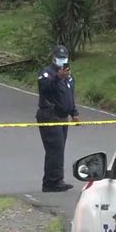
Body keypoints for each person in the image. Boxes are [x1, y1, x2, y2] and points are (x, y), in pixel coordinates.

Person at [36, 45, 79, 192]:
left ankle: (55, 179)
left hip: (63, 117)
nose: (62, 60)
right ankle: (51, 182)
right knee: (55, 148)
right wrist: (57, 78)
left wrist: (74, 112)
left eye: (65, 58)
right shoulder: (47, 73)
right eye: (60, 58)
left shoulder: (69, 77)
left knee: (59, 149)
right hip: (49, 115)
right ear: (53, 58)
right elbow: (44, 88)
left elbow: (69, 97)